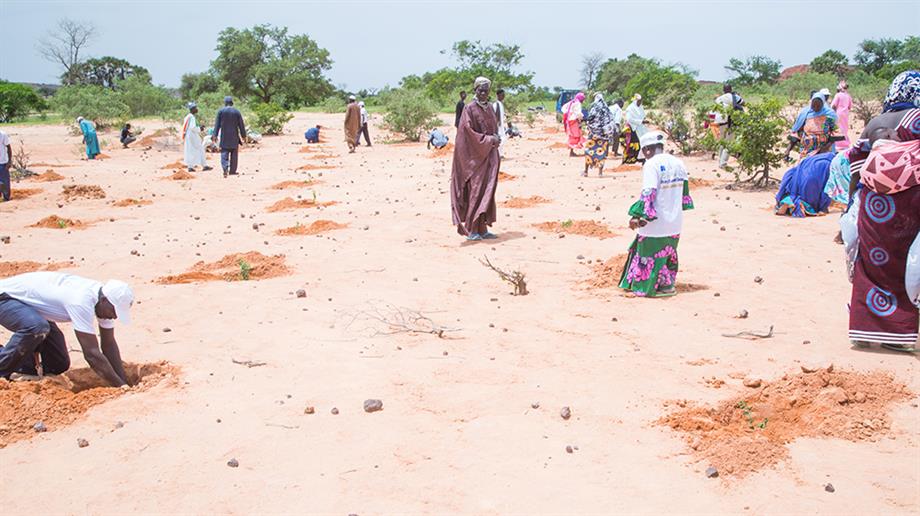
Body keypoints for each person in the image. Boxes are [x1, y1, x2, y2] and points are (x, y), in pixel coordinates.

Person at [845, 70, 920, 352]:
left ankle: (863, 330)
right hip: (910, 201)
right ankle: (898, 336)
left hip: (874, 204)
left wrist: (852, 208)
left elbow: (855, 168)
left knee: (869, 262)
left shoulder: (875, 122)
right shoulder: (917, 120)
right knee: (903, 262)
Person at [0, 272, 134, 387]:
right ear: (104, 300)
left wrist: (123, 381)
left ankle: (11, 361)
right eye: (114, 311)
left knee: (57, 363)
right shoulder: (81, 300)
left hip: (32, 308)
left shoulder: (103, 304)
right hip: (5, 298)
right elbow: (91, 354)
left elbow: (109, 344)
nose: (115, 316)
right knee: (37, 328)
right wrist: (120, 386)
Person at [618, 130, 694, 297]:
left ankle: (647, 287)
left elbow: (649, 193)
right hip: (674, 222)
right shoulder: (679, 163)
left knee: (648, 254)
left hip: (655, 223)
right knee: (668, 254)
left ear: (647, 150)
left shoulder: (651, 165)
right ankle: (667, 285)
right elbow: (685, 195)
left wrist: (639, 217)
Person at [450, 76, 501, 241]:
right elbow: (467, 133)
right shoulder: (469, 109)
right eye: (481, 90)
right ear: (475, 90)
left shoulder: (490, 108)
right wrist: (488, 140)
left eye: (486, 90)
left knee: (487, 191)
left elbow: (495, 128)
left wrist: (496, 139)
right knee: (476, 191)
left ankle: (483, 228)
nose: (484, 93)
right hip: (475, 159)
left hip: (490, 156)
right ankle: (472, 229)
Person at [774, 152, 835, 216]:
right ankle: (799, 205)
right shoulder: (830, 165)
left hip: (796, 181)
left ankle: (789, 202)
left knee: (793, 194)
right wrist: (823, 208)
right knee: (810, 202)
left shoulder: (811, 159)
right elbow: (827, 189)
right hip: (810, 186)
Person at [785, 92, 838, 161]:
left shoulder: (829, 115)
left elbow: (836, 133)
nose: (815, 107)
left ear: (823, 104)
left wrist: (824, 149)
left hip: (825, 151)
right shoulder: (805, 114)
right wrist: (788, 150)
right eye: (813, 105)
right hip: (806, 153)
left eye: (818, 106)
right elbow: (797, 132)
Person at [212, 96, 247, 178]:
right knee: (234, 154)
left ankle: (225, 168)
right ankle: (232, 171)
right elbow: (241, 125)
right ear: (232, 103)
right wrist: (244, 136)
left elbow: (217, 125)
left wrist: (215, 135)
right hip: (234, 136)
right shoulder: (237, 112)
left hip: (224, 136)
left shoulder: (221, 111)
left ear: (225, 103)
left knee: (224, 152)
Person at [582, 92, 614, 177]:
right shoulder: (607, 109)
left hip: (593, 135)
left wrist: (591, 127)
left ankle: (586, 172)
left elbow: (589, 120)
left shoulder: (594, 107)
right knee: (601, 153)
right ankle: (600, 173)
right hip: (603, 136)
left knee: (589, 151)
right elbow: (610, 122)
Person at [713, 84, 744, 169]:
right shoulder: (733, 96)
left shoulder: (718, 99)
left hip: (720, 122)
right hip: (729, 122)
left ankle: (720, 161)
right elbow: (743, 102)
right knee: (729, 143)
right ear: (731, 89)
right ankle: (723, 164)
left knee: (722, 142)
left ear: (723, 90)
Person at [182, 103, 211, 172]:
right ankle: (204, 165)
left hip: (188, 136)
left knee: (190, 150)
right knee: (200, 149)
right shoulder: (191, 117)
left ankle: (190, 166)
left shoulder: (187, 116)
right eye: (195, 108)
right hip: (192, 135)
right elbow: (193, 128)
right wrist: (200, 128)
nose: (197, 109)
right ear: (193, 109)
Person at [621, 94, 646, 164]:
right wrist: (640, 121)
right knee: (633, 145)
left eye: (640, 101)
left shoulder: (640, 108)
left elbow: (643, 116)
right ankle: (629, 160)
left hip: (641, 129)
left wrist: (643, 120)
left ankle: (641, 159)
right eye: (638, 101)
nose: (640, 102)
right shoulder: (630, 108)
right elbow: (629, 119)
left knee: (643, 143)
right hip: (632, 129)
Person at [562, 92, 585, 157]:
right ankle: (571, 152)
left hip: (569, 121)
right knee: (575, 136)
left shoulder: (571, 102)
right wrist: (581, 119)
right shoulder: (578, 103)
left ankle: (571, 151)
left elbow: (563, 109)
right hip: (574, 121)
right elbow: (578, 113)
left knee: (571, 135)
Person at [831, 81, 852, 150]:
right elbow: (849, 106)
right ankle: (845, 143)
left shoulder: (838, 95)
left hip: (838, 113)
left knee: (839, 128)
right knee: (844, 128)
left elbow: (833, 105)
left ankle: (839, 143)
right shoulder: (848, 96)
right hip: (845, 114)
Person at [493, 89, 507, 158]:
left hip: (501, 126)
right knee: (500, 140)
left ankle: (500, 154)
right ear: (498, 95)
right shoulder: (496, 104)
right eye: (502, 95)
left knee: (503, 139)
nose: (503, 96)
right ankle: (497, 154)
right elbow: (494, 116)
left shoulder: (501, 104)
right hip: (497, 126)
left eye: (504, 95)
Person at [0, 129, 10, 202]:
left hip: (2, 163)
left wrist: (9, 161)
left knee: (5, 182)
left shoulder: (3, 135)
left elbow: (9, 147)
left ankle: (6, 198)